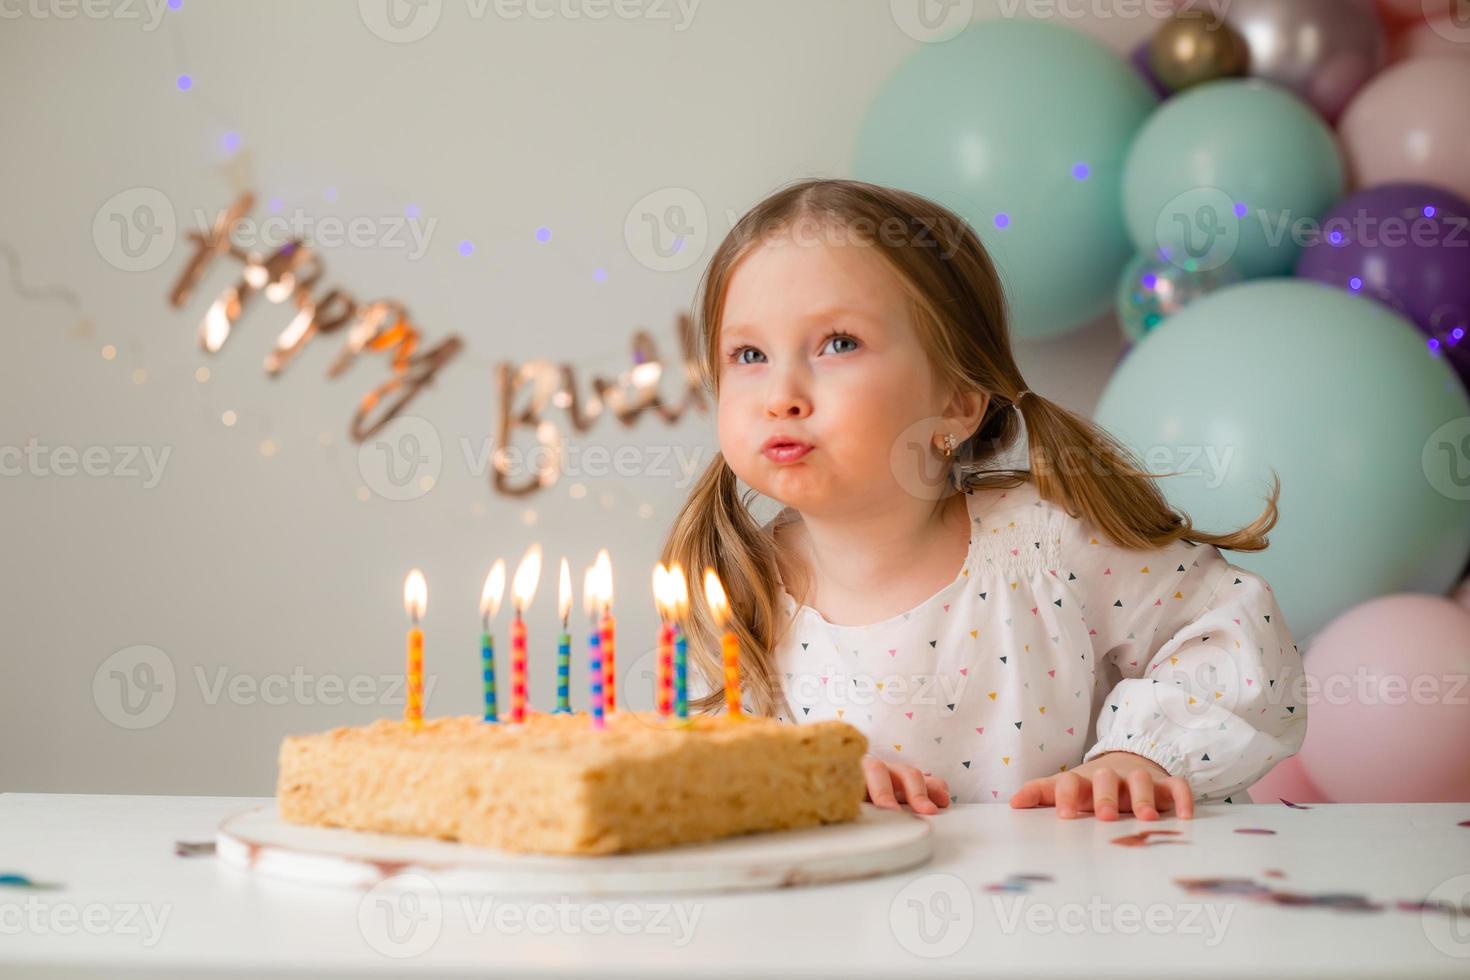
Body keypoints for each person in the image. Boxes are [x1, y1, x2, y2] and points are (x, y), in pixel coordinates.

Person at [660, 178, 1305, 820]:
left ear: (959, 402)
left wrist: (1141, 756)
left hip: (1078, 904)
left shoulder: (1046, 546)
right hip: (847, 918)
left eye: (839, 344)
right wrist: (801, 770)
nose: (782, 394)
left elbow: (1234, 631)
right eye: (749, 354)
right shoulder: (737, 590)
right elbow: (718, 765)